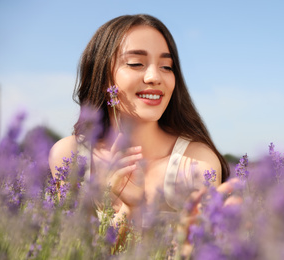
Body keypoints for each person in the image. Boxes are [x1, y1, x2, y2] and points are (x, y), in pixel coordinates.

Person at [48, 14, 230, 228]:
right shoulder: (70, 156)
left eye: (166, 66)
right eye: (136, 63)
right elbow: (72, 246)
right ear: (102, 75)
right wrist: (127, 210)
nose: (154, 77)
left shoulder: (196, 163)